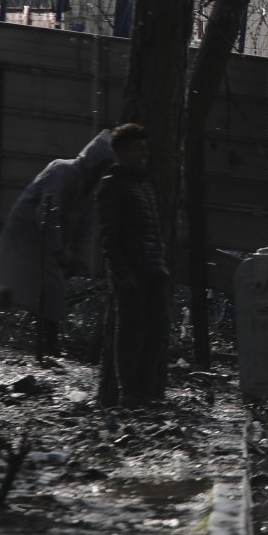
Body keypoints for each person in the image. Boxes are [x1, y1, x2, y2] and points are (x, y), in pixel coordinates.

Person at [0, 129, 114, 354]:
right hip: (27, 235)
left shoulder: (89, 191)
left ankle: (43, 343)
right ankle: (39, 343)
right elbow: (47, 213)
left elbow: (85, 228)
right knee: (42, 290)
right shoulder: (63, 171)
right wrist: (60, 251)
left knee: (46, 292)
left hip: (48, 241)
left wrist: (78, 259)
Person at [95, 123, 170, 408]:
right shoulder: (111, 185)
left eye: (144, 149)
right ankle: (130, 393)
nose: (143, 155)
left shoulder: (144, 184)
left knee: (156, 329)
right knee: (131, 331)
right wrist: (123, 277)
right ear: (121, 152)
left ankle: (146, 391)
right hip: (132, 273)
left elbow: (154, 230)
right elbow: (109, 238)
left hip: (153, 270)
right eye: (137, 149)